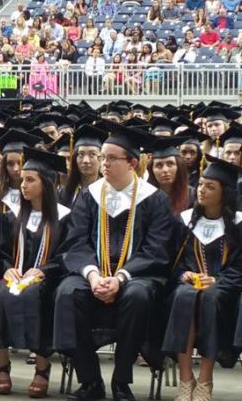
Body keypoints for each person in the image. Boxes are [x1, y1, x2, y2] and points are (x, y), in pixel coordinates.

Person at [54, 126, 174, 401]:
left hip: (138, 275)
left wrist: (120, 278)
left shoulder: (154, 199)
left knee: (138, 296)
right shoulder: (90, 195)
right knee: (68, 293)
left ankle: (122, 380)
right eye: (103, 158)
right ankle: (90, 381)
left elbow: (155, 250)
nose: (103, 164)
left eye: (111, 158)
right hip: (93, 273)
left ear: (132, 163)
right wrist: (94, 276)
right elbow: (76, 242)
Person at [0, 147, 71, 397]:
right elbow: (0, 252)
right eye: (22, 179)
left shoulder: (64, 218)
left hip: (48, 280)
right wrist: (8, 269)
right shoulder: (13, 216)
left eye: (30, 180)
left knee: (39, 296)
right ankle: (2, 366)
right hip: (16, 276)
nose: (23, 184)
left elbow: (67, 255)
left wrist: (44, 271)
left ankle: (42, 370)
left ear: (46, 183)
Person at [163, 157, 242, 401]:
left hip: (223, 291)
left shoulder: (238, 225)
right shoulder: (185, 220)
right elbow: (170, 261)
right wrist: (183, 274)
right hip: (187, 288)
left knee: (210, 298)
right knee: (183, 296)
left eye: (210, 187)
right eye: (201, 185)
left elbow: (240, 266)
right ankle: (186, 380)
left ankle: (205, 380)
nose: (202, 190)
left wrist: (218, 281)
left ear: (224, 193)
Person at [59, 125, 107, 206]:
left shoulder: (109, 191)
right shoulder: (65, 193)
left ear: (101, 158)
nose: (85, 161)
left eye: (92, 154)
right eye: (81, 154)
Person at [147, 137, 193, 215]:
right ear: (152, 170)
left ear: (179, 167)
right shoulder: (145, 196)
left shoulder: (192, 195)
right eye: (159, 165)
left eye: (170, 164)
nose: (165, 170)